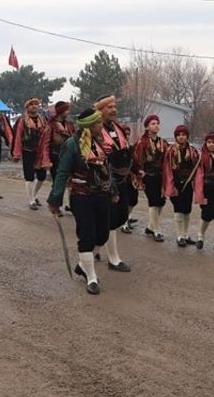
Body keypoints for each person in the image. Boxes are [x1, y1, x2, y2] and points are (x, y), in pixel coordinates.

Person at [49, 108, 116, 295]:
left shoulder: (100, 143)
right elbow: (62, 172)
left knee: (102, 236)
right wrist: (55, 199)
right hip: (81, 196)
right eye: (99, 123)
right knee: (87, 236)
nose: (102, 126)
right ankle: (92, 278)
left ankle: (82, 264)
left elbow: (107, 170)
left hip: (101, 195)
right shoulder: (72, 145)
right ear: (90, 126)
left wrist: (113, 190)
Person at [93, 96, 133, 271]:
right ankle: (114, 259)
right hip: (105, 179)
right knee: (111, 217)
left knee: (121, 215)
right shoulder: (95, 129)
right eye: (109, 107)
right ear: (100, 110)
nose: (113, 110)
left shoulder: (117, 127)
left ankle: (93, 249)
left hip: (122, 177)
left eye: (115, 106)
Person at [133, 114, 169, 242]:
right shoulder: (142, 142)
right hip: (149, 176)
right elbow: (136, 158)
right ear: (147, 126)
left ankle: (150, 226)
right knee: (153, 202)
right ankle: (157, 230)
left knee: (161, 202)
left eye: (157, 123)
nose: (156, 126)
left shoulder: (162, 142)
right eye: (153, 123)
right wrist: (139, 171)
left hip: (161, 176)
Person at [164, 125, 200, 247]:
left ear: (187, 136)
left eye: (183, 134)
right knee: (178, 209)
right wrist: (171, 185)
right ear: (175, 137)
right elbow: (167, 169)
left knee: (187, 210)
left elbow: (197, 167)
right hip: (176, 183)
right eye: (178, 135)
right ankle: (180, 236)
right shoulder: (170, 151)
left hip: (188, 183)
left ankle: (186, 234)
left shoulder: (193, 151)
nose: (181, 137)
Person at [11, 98, 50, 210]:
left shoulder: (43, 119)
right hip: (27, 150)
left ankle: (35, 194)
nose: (34, 106)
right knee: (29, 176)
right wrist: (16, 153)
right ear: (27, 107)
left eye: (36, 105)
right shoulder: (22, 120)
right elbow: (18, 136)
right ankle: (31, 200)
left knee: (42, 176)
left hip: (40, 151)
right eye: (31, 105)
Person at [46, 101, 74, 216]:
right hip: (55, 155)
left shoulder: (69, 125)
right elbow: (45, 143)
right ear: (61, 111)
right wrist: (45, 160)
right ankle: (55, 205)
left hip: (68, 156)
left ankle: (71, 205)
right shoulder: (51, 125)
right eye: (66, 110)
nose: (68, 112)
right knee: (58, 181)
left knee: (70, 181)